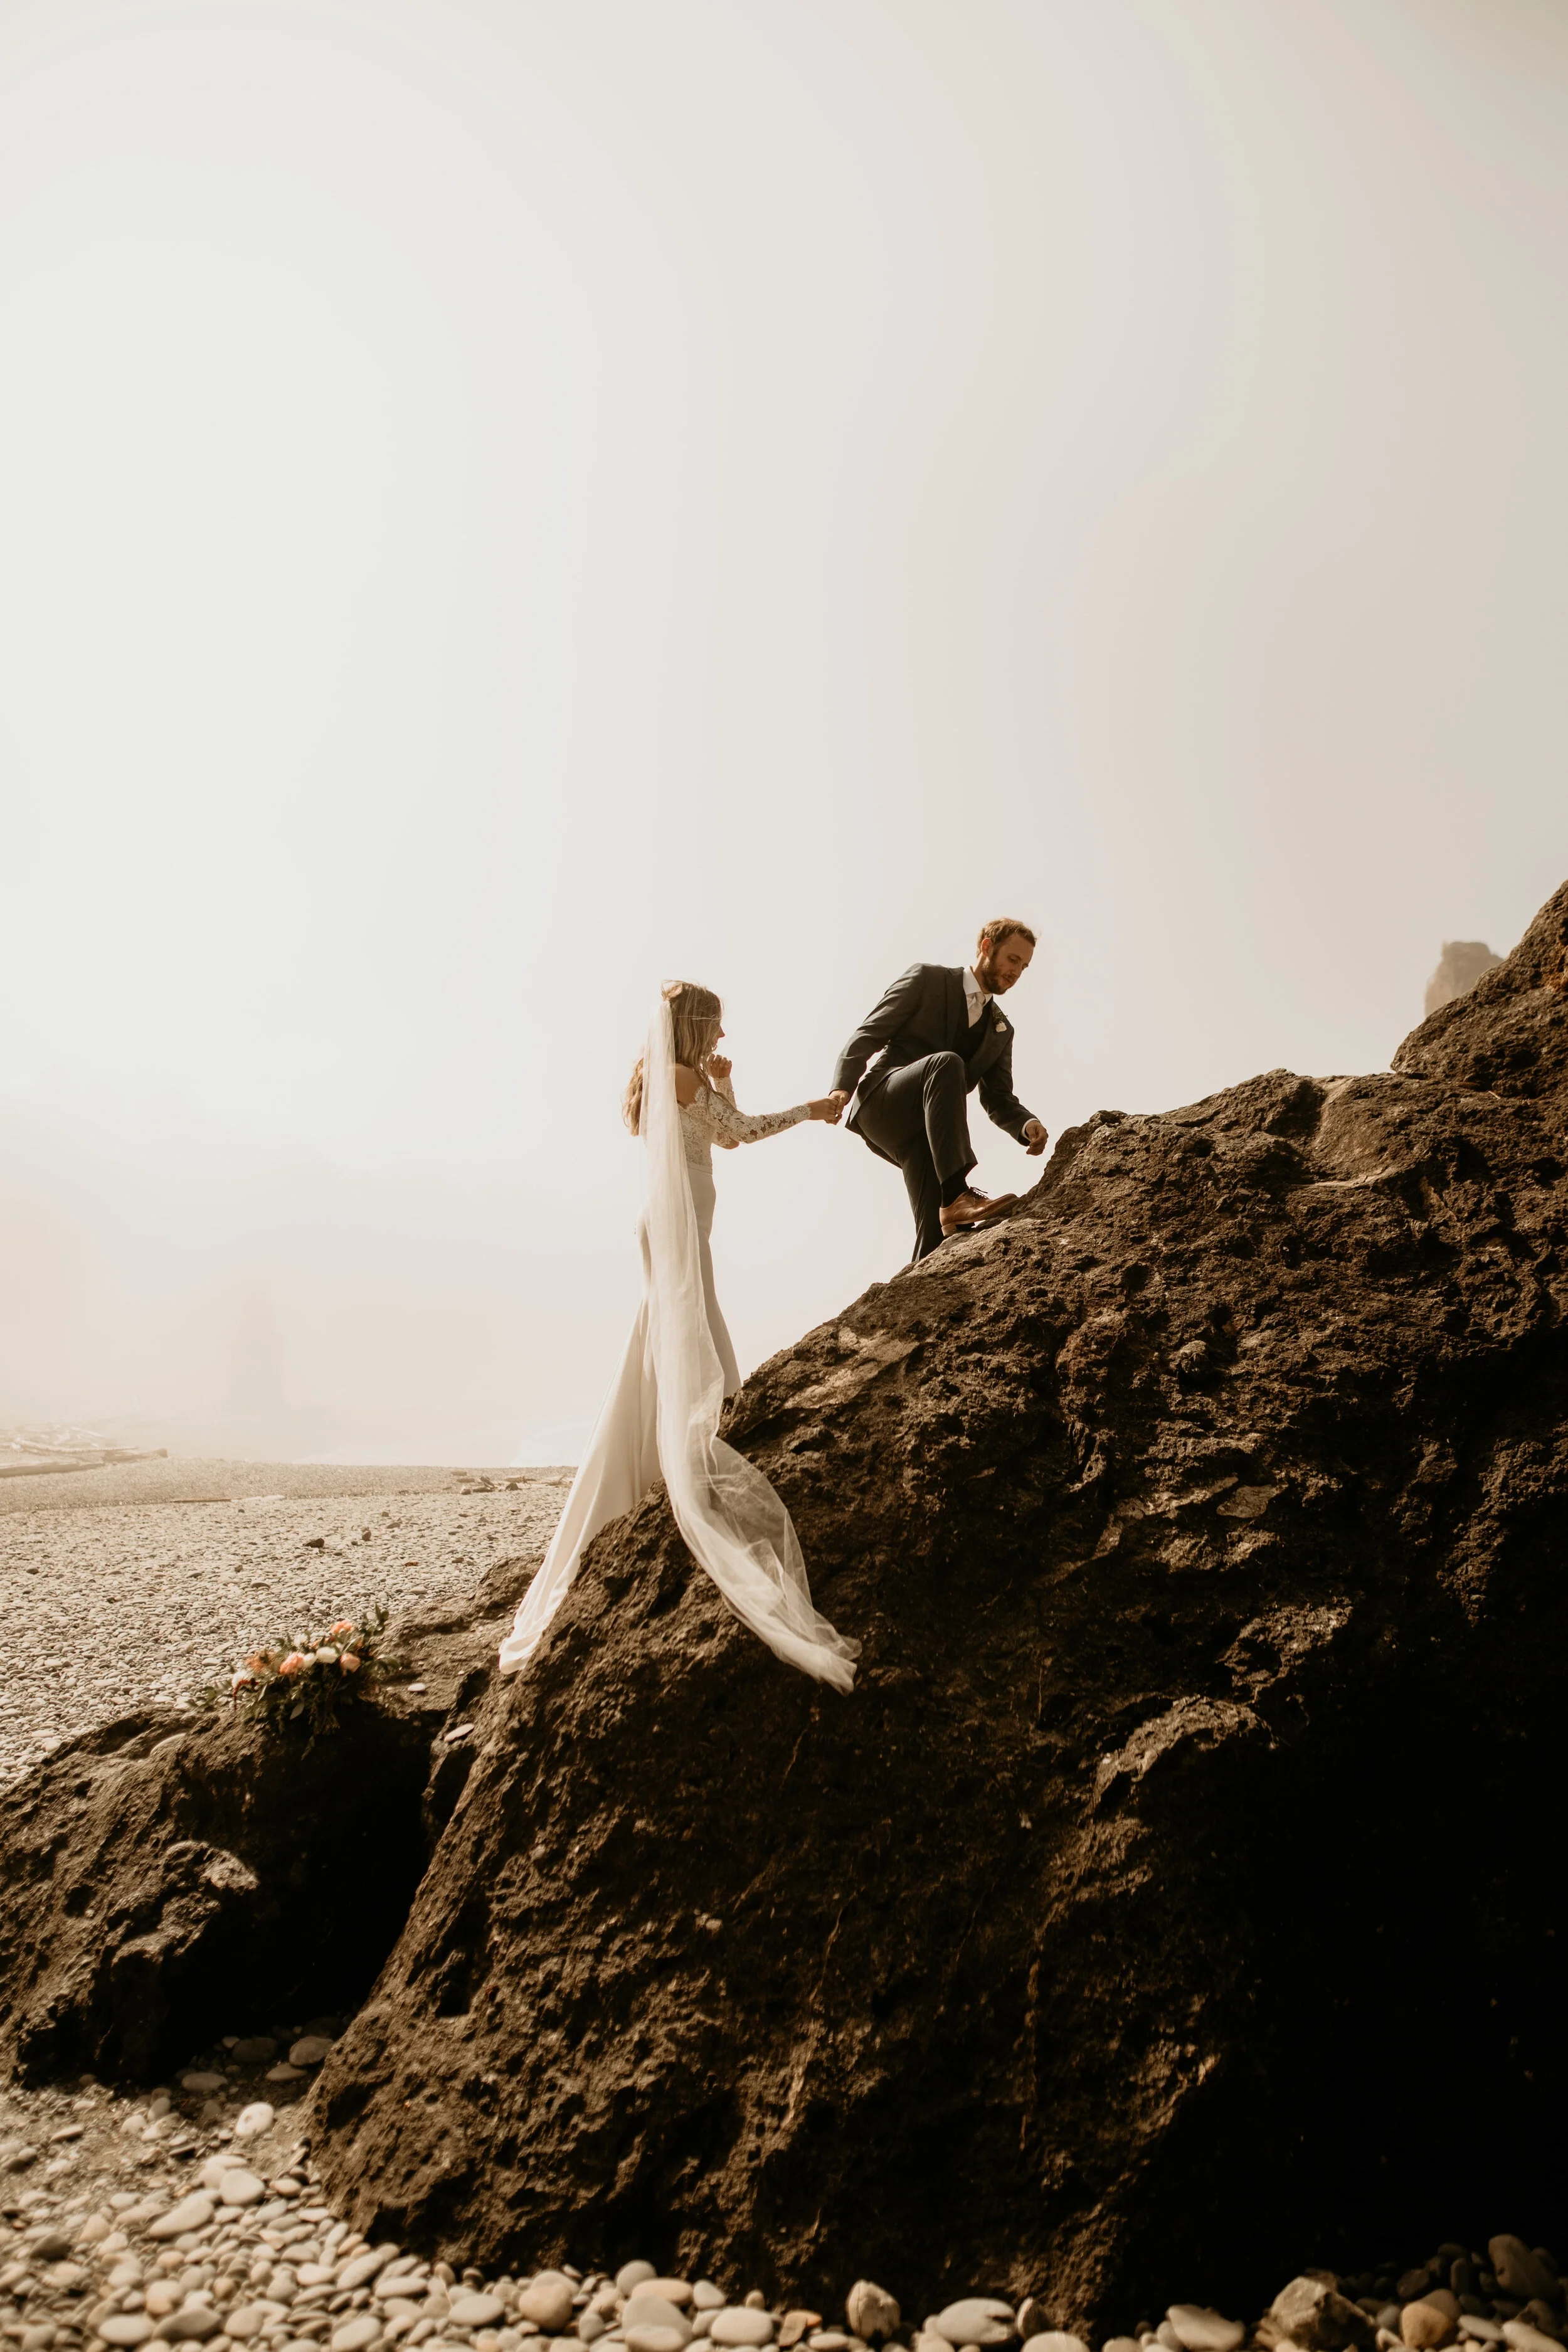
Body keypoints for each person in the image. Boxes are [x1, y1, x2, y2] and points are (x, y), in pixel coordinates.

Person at [500, 981, 858, 1691]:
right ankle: (679, 1457)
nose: (723, 1037)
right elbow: (744, 1133)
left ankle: (654, 1459)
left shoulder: (679, 1076)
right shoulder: (678, 1074)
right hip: (677, 1226)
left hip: (680, 1223)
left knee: (668, 1343)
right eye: (717, 1027)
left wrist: (732, 1084)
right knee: (699, 1345)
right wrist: (812, 1109)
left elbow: (722, 1131)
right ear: (694, 1024)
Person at [829, 918, 1049, 1262]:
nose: (1016, 972)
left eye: (1024, 966)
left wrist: (1025, 1124)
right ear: (986, 947)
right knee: (947, 1064)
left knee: (939, 1237)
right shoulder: (927, 979)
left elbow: (998, 1098)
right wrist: (841, 1089)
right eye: (1012, 959)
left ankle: (916, 1292)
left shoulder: (1001, 1030)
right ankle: (957, 1192)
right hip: (884, 1102)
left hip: (928, 1137)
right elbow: (868, 1034)